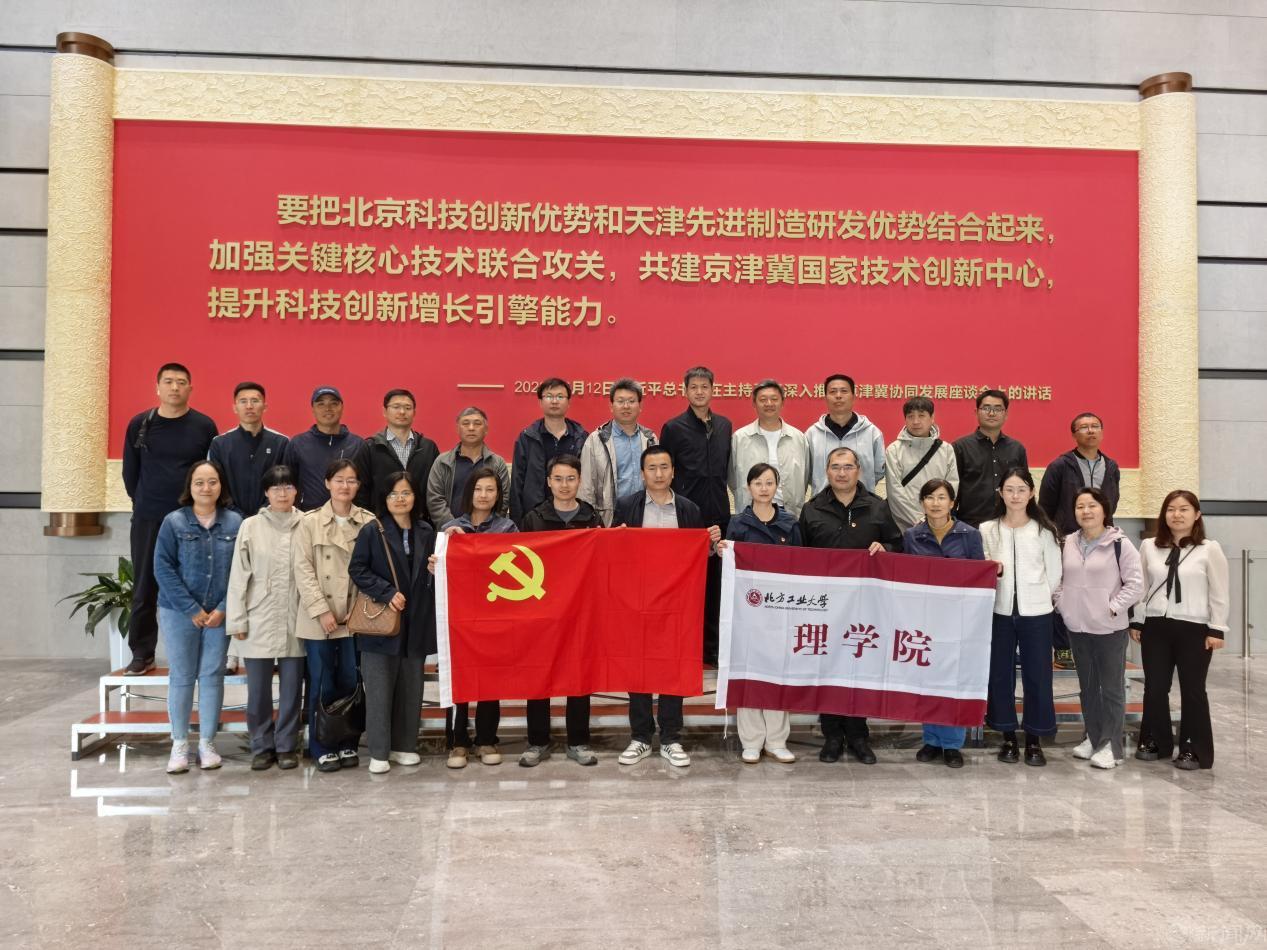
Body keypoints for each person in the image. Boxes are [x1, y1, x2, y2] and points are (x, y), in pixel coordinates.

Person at [614, 445, 721, 768]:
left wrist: (711, 543)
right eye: (652, 468)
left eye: (664, 467)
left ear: (673, 471)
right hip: (638, 601)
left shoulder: (689, 509)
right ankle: (640, 737)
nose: (659, 474)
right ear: (642, 473)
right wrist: (615, 539)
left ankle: (671, 738)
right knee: (638, 667)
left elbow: (698, 558)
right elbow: (615, 556)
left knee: (673, 668)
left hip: (677, 604)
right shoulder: (627, 506)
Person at [799, 446, 902, 765]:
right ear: (826, 471)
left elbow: (898, 545)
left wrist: (885, 548)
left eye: (848, 467)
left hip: (865, 607)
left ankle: (858, 735)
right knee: (829, 668)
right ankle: (831, 735)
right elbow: (800, 558)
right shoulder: (812, 509)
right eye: (835, 467)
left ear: (859, 470)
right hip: (825, 607)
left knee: (860, 667)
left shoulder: (878, 507)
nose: (841, 473)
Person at [121, 362, 218, 675]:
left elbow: (210, 472)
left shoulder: (204, 426)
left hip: (191, 518)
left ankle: (203, 653)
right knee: (144, 586)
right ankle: (142, 653)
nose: (175, 387)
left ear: (190, 388)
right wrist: (145, 502)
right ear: (157, 387)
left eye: (181, 382)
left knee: (199, 583)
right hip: (149, 517)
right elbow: (130, 473)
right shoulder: (141, 424)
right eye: (168, 381)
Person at [152, 460, 242, 774]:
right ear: (190, 487)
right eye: (199, 482)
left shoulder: (235, 523)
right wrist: (191, 608)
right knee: (181, 676)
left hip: (219, 613)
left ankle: (207, 743)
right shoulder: (173, 522)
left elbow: (242, 571)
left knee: (212, 676)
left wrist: (223, 608)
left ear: (221, 486)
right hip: (179, 612)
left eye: (212, 482)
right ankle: (179, 744)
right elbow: (162, 567)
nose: (206, 488)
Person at [1133, 490, 1229, 770]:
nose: (1177, 515)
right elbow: (1141, 587)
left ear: (1197, 514)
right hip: (1156, 625)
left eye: (1184, 509)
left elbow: (1219, 592)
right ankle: (1155, 740)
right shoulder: (1149, 546)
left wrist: (1217, 628)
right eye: (1171, 509)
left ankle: (1192, 749)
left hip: (1194, 627)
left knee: (1193, 689)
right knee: (1155, 687)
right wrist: (1137, 620)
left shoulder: (1209, 549)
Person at [348, 472, 436, 775]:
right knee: (379, 691)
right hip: (380, 624)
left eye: (406, 493)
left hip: (416, 622)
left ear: (415, 497)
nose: (400, 499)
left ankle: (405, 746)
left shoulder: (426, 530)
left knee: (411, 688)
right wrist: (386, 593)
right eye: (394, 494)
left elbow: (430, 575)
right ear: (384, 499)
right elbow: (357, 569)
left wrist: (435, 569)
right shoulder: (373, 530)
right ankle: (379, 751)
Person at [519, 454, 604, 766]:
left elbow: (604, 562)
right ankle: (537, 741)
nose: (564, 485)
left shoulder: (592, 517)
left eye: (570, 479)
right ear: (548, 482)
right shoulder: (533, 519)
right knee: (539, 675)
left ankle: (578, 742)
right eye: (558, 479)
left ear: (579, 481)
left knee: (578, 675)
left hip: (580, 611)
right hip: (541, 611)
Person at [292, 458, 375, 772]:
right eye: (339, 479)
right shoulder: (309, 522)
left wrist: (358, 610)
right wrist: (321, 610)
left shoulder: (368, 522)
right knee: (322, 682)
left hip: (354, 617)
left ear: (358, 485)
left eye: (351, 480)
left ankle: (348, 742)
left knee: (351, 681)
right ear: (327, 483)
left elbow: (374, 569)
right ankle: (322, 746)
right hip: (319, 618)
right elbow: (302, 570)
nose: (345, 486)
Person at [1053, 487, 1144, 770]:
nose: (1086, 511)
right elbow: (1058, 579)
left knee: (1112, 689)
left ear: (1104, 509)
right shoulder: (1068, 542)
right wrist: (1063, 604)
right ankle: (1093, 738)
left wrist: (1112, 607)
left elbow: (1136, 584)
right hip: (1077, 626)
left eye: (1092, 505)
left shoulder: (1120, 544)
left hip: (1109, 629)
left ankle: (1112, 747)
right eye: (1080, 506)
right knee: (1088, 688)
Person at [716, 463, 800, 764]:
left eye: (769, 483)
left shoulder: (790, 523)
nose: (764, 488)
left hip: (780, 611)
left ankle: (777, 740)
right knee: (749, 673)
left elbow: (801, 566)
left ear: (777, 486)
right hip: (747, 612)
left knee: (778, 674)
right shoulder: (738, 523)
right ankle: (751, 741)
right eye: (757, 483)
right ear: (748, 487)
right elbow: (731, 567)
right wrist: (723, 552)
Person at [224, 464, 305, 771]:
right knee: (257, 691)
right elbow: (238, 576)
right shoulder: (251, 526)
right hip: (258, 617)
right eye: (275, 488)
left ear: (296, 491)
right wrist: (237, 620)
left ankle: (286, 746)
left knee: (291, 690)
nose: (282, 493)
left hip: (296, 618)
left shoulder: (307, 523)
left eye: (288, 487)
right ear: (266, 493)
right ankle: (261, 745)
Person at [980, 468, 1062, 767]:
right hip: (998, 612)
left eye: (1021, 489)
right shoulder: (987, 529)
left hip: (1037, 614)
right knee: (999, 675)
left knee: (1038, 676)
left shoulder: (1044, 531)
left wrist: (1037, 597)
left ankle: (1035, 739)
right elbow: (982, 569)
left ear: (1031, 493)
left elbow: (1054, 574)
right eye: (1009, 489)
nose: (1015, 496)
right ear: (1000, 493)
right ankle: (1007, 737)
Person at [901, 478, 985, 769]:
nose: (935, 503)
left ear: (952, 502)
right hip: (924, 620)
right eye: (929, 497)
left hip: (959, 620)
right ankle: (931, 739)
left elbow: (979, 577)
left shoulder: (969, 535)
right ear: (922, 502)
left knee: (953, 681)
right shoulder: (912, 536)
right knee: (927, 680)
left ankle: (952, 744)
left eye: (941, 497)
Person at [437, 468, 516, 768]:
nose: (483, 495)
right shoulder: (451, 529)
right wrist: (437, 564)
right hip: (460, 617)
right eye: (478, 489)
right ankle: (457, 742)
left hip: (495, 616)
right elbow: (440, 572)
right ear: (469, 492)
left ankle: (486, 739)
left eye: (490, 490)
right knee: (459, 676)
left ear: (498, 495)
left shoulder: (507, 528)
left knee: (490, 679)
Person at [658, 366, 733, 665]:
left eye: (705, 386)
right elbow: (666, 471)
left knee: (716, 584)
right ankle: (685, 644)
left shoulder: (725, 425)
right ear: (685, 391)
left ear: (713, 389)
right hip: (687, 518)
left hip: (720, 517)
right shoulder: (673, 428)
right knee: (688, 585)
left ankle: (712, 647)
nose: (700, 392)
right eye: (694, 387)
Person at [578, 377, 657, 526]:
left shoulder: (650, 439)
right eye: (620, 401)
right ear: (611, 406)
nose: (626, 406)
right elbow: (586, 487)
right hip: (608, 518)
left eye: (631, 401)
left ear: (640, 406)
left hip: (645, 516)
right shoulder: (596, 440)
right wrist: (589, 521)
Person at [509, 377, 588, 524]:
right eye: (549, 396)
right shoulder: (527, 437)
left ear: (569, 402)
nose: (554, 401)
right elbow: (516, 482)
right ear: (540, 402)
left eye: (560, 396)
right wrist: (518, 522)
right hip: (535, 518)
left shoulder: (581, 437)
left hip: (574, 517)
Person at [730, 379, 810, 518]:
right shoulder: (740, 438)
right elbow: (732, 479)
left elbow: (805, 476)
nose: (769, 403)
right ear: (754, 403)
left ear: (782, 402)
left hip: (789, 514)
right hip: (751, 514)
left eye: (774, 399)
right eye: (763, 399)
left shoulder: (798, 438)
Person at [354, 388, 440, 516]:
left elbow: (436, 489)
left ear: (414, 413)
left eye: (407, 408)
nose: (402, 412)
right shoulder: (370, 447)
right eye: (396, 407)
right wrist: (370, 521)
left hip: (420, 523)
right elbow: (360, 491)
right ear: (384, 411)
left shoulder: (428, 448)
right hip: (380, 522)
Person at [208, 381, 289, 517]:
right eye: (243, 401)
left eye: (255, 401)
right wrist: (237, 516)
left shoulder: (281, 443)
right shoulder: (219, 444)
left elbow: (284, 483)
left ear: (265, 406)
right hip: (230, 519)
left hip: (271, 517)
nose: (249, 406)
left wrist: (262, 514)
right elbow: (215, 483)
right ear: (235, 407)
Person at [952, 390, 1028, 528]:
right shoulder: (960, 447)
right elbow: (952, 490)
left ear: (1006, 414)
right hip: (970, 526)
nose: (991, 413)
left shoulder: (1017, 449)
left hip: (1009, 525)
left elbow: (1025, 488)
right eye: (986, 408)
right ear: (976, 412)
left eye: (998, 409)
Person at [282, 386, 365, 511]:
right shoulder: (297, 444)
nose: (327, 408)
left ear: (342, 407)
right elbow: (287, 484)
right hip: (307, 516)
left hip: (348, 517)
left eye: (334, 403)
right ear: (313, 409)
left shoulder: (358, 445)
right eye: (321, 404)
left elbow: (365, 486)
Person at [884, 396, 959, 534]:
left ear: (932, 418)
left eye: (921, 415)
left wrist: (935, 518)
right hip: (903, 527)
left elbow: (951, 487)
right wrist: (919, 520)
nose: (916, 421)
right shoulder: (894, 450)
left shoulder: (946, 449)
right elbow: (895, 492)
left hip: (939, 525)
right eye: (910, 416)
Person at [426, 406, 511, 528]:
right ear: (457, 429)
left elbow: (503, 499)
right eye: (466, 423)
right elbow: (435, 499)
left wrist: (486, 528)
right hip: (451, 532)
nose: (471, 428)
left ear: (486, 429)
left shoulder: (497, 463)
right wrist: (454, 527)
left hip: (487, 533)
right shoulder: (442, 462)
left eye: (477, 424)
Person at [1039, 413, 1122, 536]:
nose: (1090, 431)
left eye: (1095, 426)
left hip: (1103, 537)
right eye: (1084, 427)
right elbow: (1045, 507)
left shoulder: (1111, 467)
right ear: (1074, 435)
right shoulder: (1060, 466)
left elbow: (1112, 504)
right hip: (1067, 537)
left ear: (1102, 432)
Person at [807, 374, 886, 495]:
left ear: (853, 396)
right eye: (833, 391)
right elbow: (807, 472)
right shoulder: (812, 434)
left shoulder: (872, 433)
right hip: (822, 503)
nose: (838, 396)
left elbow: (879, 471)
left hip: (862, 502)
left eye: (844, 391)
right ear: (825, 397)